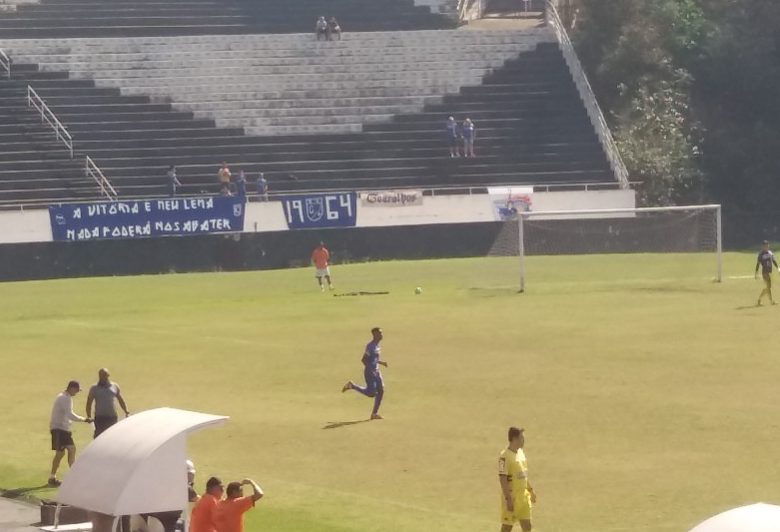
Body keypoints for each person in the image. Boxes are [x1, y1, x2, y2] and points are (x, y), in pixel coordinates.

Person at [49, 380, 92, 487]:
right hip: (60, 429)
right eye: (76, 390)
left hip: (61, 428)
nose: (76, 393)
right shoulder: (65, 398)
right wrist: (84, 419)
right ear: (71, 388)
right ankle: (74, 477)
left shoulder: (64, 397)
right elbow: (70, 415)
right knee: (70, 450)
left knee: (61, 453)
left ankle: (52, 477)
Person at [342, 327, 387, 420]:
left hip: (377, 371)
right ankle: (352, 386)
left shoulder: (377, 345)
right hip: (370, 372)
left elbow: (374, 359)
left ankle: (374, 414)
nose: (382, 335)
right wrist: (371, 370)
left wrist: (381, 362)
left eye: (382, 333)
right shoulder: (370, 346)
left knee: (381, 390)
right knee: (371, 393)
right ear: (375, 334)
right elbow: (364, 360)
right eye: (380, 333)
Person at [498, 427, 536, 532]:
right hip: (512, 498)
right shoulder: (504, 456)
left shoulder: (521, 454)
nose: (523, 440)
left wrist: (530, 490)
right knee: (507, 528)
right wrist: (508, 498)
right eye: (521, 438)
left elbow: (523, 475)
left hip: (523, 497)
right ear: (514, 439)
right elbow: (502, 478)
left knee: (527, 527)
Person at [86, 368, 129, 439]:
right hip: (100, 417)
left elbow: (120, 399)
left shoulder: (114, 386)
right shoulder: (94, 388)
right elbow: (89, 402)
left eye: (105, 375)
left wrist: (126, 411)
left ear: (108, 376)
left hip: (112, 416)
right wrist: (89, 416)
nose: (103, 377)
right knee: (99, 437)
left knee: (112, 436)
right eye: (101, 375)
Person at [755, 240, 779, 306]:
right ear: (763, 246)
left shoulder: (770, 253)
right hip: (765, 273)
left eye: (767, 245)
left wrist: (778, 268)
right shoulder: (761, 254)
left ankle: (759, 300)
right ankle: (771, 301)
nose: (766, 246)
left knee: (768, 287)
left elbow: (774, 261)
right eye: (765, 245)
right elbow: (758, 264)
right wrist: (756, 273)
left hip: (769, 272)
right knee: (769, 287)